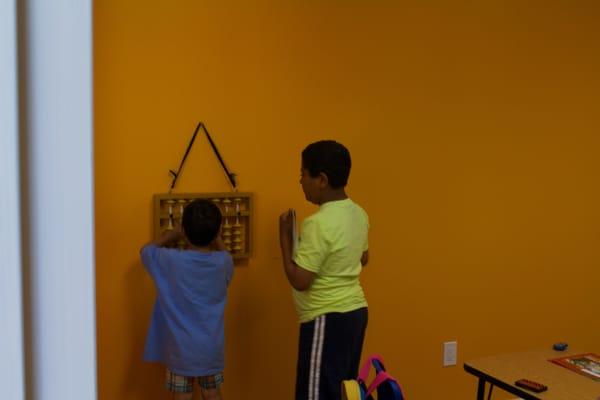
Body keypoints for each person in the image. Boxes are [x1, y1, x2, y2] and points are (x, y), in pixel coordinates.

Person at [279, 140, 370, 400]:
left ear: (321, 179)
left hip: (326, 318)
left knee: (315, 395)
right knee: (343, 392)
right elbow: (363, 257)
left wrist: (285, 239)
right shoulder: (358, 214)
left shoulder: (318, 223)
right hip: (355, 314)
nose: (300, 181)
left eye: (302, 174)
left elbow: (300, 280)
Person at [140, 199, 233, 400]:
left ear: (184, 229)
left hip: (180, 350)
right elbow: (225, 254)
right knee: (212, 393)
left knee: (183, 395)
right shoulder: (223, 262)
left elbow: (145, 251)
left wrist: (173, 234)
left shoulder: (171, 260)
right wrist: (217, 239)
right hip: (210, 349)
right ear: (217, 232)